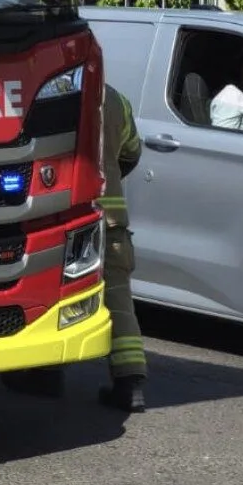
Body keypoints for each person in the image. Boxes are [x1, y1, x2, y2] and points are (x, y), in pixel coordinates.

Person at [98, 81, 147, 413]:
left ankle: (43, 376)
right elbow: (132, 150)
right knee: (118, 299)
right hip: (111, 217)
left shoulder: (54, 89)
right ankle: (131, 385)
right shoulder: (116, 99)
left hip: (62, 216)